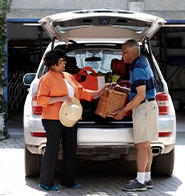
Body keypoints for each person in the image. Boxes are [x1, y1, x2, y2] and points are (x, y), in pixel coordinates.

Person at [37, 49, 106, 191]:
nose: (65, 63)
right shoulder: (45, 79)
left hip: (71, 118)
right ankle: (46, 182)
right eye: (62, 61)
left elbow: (80, 91)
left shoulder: (67, 76)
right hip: (53, 119)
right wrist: (60, 99)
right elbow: (41, 99)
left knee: (71, 149)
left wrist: (98, 93)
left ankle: (67, 181)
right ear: (53, 63)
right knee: (52, 149)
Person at [113, 39, 159, 191]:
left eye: (125, 52)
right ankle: (146, 178)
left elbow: (140, 95)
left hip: (144, 108)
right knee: (146, 145)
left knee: (140, 145)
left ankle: (140, 182)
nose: (122, 55)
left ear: (133, 52)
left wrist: (123, 111)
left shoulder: (137, 67)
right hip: (150, 106)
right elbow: (138, 91)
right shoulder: (142, 62)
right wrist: (121, 89)